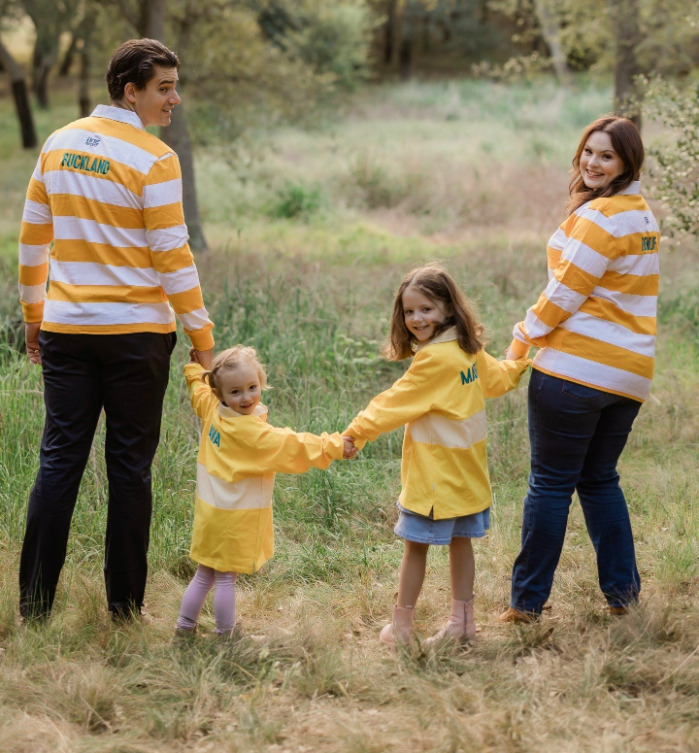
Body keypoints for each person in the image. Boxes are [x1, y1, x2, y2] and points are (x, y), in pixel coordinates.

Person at [18, 38, 214, 621]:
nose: (174, 99)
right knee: (130, 467)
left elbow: (32, 240)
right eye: (164, 88)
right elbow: (172, 256)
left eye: (175, 86)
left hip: (66, 331)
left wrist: (35, 318)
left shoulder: (57, 144)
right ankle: (124, 609)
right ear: (131, 90)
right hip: (135, 338)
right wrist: (203, 340)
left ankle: (33, 606)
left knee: (59, 461)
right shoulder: (154, 158)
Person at [502, 115, 659, 622]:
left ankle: (526, 605)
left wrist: (522, 338)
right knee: (598, 480)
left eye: (606, 155)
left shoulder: (603, 217)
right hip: (629, 375)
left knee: (550, 483)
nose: (592, 162)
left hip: (576, 371)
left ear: (627, 162)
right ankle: (623, 598)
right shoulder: (643, 217)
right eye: (588, 151)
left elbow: (565, 293)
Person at [344, 265, 530, 646]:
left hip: (434, 478)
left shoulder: (434, 360)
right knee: (460, 543)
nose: (416, 319)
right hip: (467, 474)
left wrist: (354, 434)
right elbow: (496, 379)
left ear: (447, 307)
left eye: (426, 309)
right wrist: (522, 356)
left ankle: (401, 627)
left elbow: (392, 403)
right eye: (409, 311)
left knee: (415, 548)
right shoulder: (466, 349)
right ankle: (463, 623)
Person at [176, 345, 356, 636]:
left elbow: (198, 391)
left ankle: (183, 630)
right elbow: (292, 444)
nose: (246, 397)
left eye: (252, 387)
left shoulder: (212, 409)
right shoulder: (251, 433)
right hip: (233, 518)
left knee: (204, 573)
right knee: (224, 579)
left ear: (261, 383)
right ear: (220, 393)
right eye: (235, 392)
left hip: (209, 513)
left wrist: (195, 370)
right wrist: (335, 445)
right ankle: (227, 635)